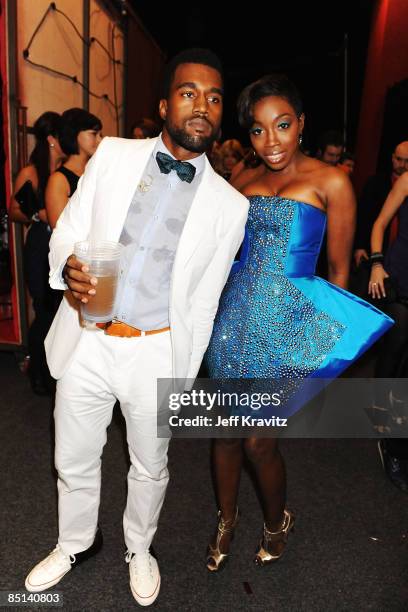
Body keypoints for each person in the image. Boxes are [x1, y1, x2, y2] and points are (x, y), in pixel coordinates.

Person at [24, 48, 248, 606]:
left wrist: (184, 373)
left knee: (151, 465)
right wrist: (68, 266)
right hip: (90, 340)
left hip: (157, 352)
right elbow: (69, 228)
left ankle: (139, 547)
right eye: (190, 92)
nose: (203, 105)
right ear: (165, 102)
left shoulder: (230, 206)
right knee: (73, 454)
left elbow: (204, 299)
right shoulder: (115, 156)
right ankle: (74, 542)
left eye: (214, 97)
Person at [205, 74, 392, 572]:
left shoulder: (331, 181)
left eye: (282, 125)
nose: (272, 141)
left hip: (286, 329)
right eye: (259, 130)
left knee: (258, 440)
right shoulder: (239, 183)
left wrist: (322, 354)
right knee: (223, 432)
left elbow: (337, 276)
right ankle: (225, 521)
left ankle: (275, 521)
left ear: (301, 124)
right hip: (233, 321)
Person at [9, 111, 64, 395]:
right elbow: (14, 210)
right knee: (43, 308)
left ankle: (52, 370)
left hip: (61, 243)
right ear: (53, 138)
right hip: (41, 243)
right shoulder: (32, 171)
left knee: (58, 310)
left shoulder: (67, 169)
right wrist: (39, 214)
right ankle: (39, 372)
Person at [368, 172, 408, 492]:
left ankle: (395, 440)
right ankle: (387, 436)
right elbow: (380, 223)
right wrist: (376, 262)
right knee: (392, 356)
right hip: (400, 277)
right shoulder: (407, 179)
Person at [46, 108, 102, 229]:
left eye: (100, 134)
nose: (99, 140)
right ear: (75, 134)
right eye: (93, 134)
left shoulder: (96, 171)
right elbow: (59, 228)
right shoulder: (59, 180)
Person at [354, 141, 408, 267]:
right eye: (399, 159)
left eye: (407, 161)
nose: (403, 165)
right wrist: (360, 246)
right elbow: (363, 216)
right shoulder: (376, 183)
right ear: (393, 158)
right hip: (375, 250)